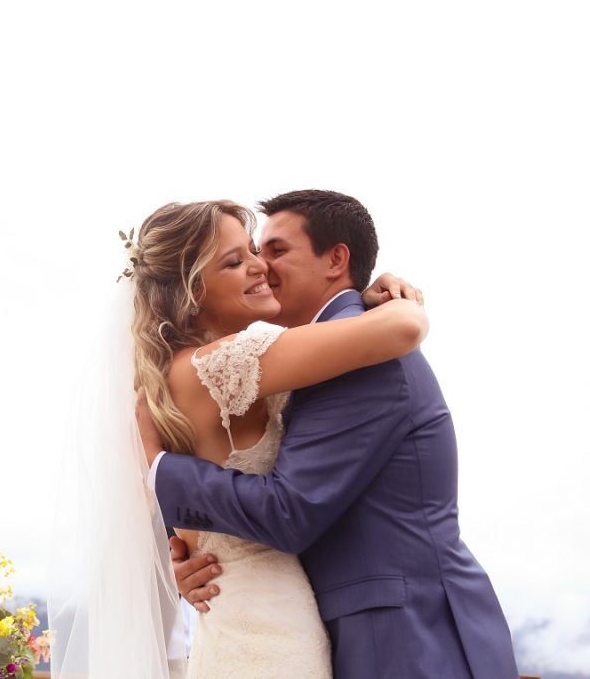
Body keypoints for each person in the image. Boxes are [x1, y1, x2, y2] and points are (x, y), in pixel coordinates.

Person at [140, 190, 518, 678]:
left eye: (273, 251)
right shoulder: (301, 355)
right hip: (330, 628)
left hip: (407, 638)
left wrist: (164, 475)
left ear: (336, 259)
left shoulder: (361, 355)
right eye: (246, 256)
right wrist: (198, 554)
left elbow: (288, 511)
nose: (261, 266)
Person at [48, 198, 427, 679]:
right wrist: (387, 295)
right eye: (235, 261)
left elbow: (194, 525)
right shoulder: (222, 364)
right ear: (192, 293)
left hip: (234, 625)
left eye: (255, 250)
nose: (260, 266)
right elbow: (406, 326)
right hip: (271, 635)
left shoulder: (176, 378)